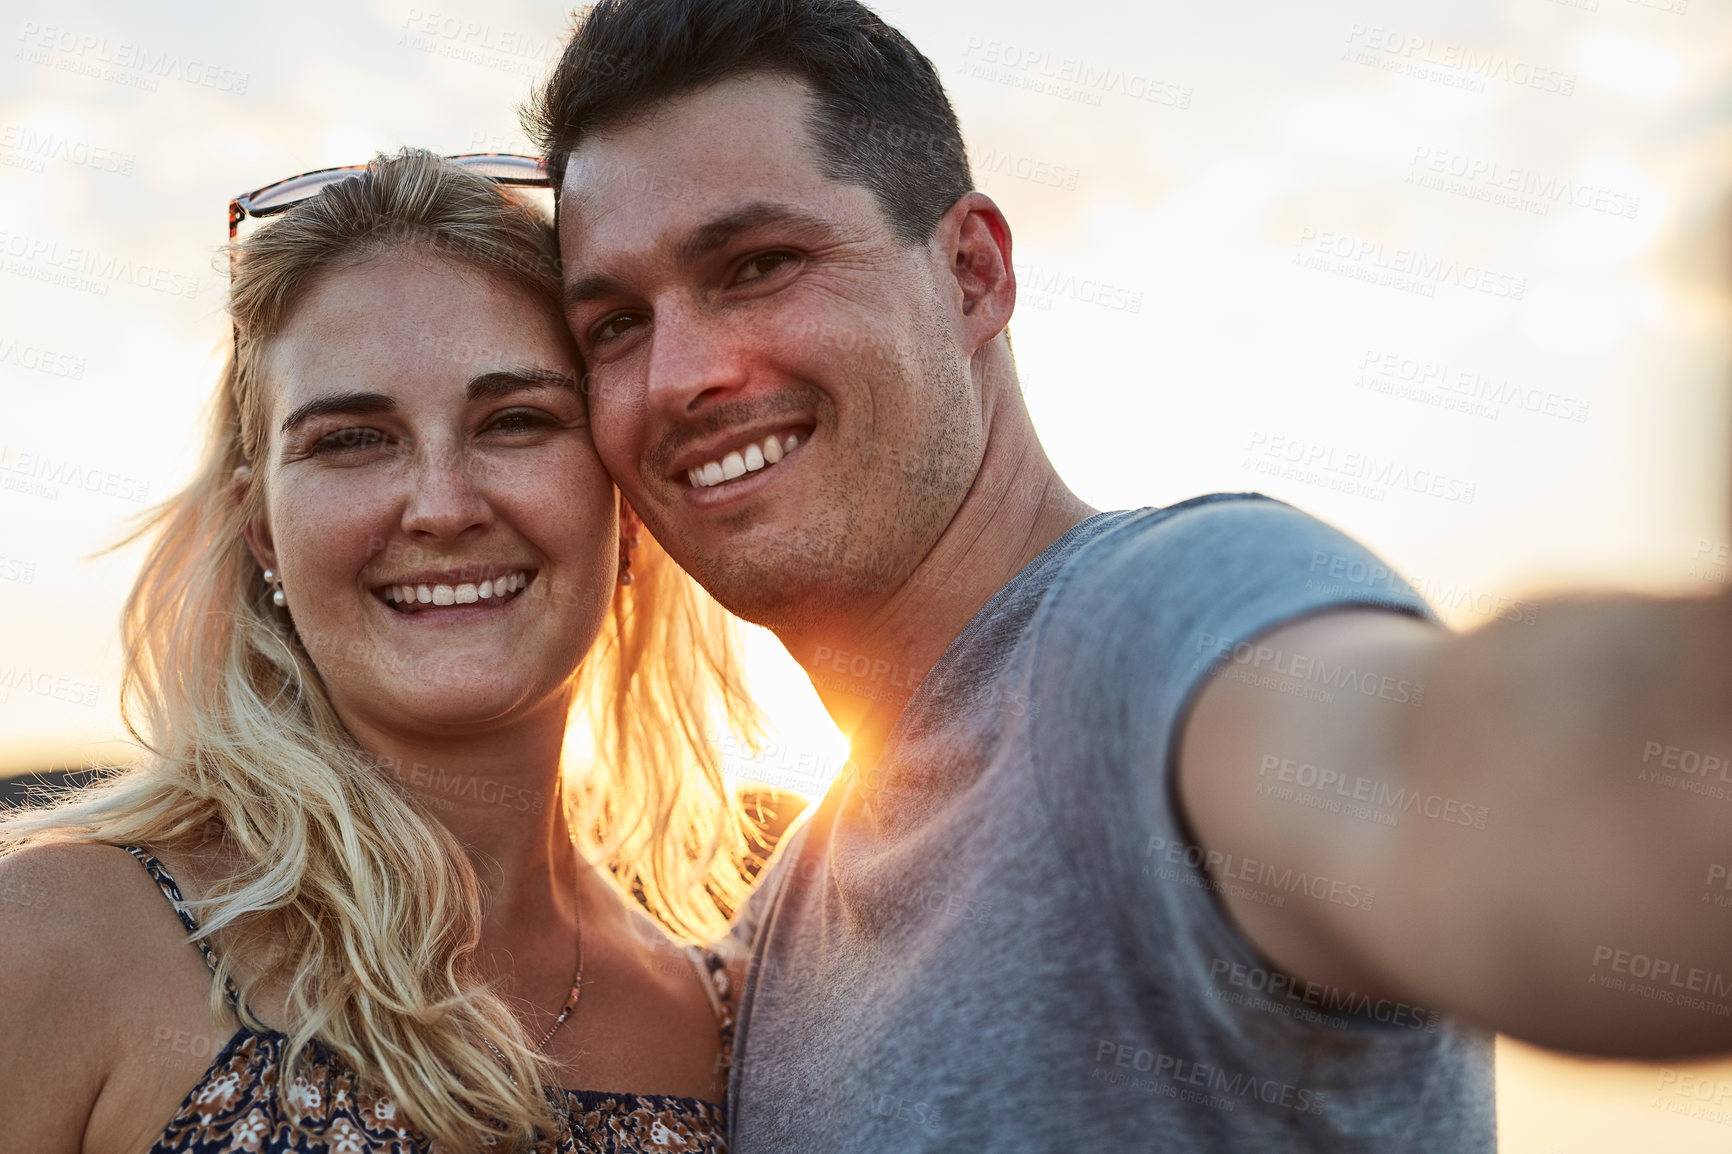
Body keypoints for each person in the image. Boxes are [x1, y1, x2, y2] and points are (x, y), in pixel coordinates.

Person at [529, 1, 1732, 1150]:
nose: (680, 371)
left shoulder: (1161, 626)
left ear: (972, 275)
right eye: (615, 326)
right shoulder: (789, 913)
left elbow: (1469, 781)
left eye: (755, 264)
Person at [0, 149, 764, 1154]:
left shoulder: (726, 1021)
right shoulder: (63, 934)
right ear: (262, 527)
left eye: (517, 420)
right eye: (353, 439)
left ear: (623, 504)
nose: (442, 505)